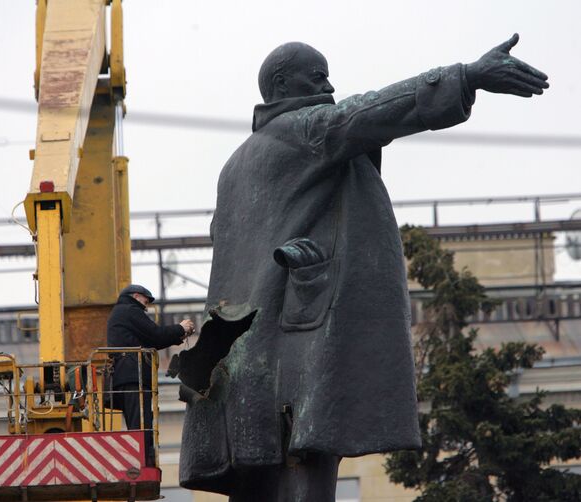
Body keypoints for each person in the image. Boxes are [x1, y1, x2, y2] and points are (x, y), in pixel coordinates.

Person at [169, 35, 548, 501]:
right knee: (310, 460)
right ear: (283, 84)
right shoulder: (305, 129)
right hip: (298, 337)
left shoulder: (233, 166)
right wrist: (466, 76)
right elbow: (371, 112)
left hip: (243, 357)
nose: (328, 83)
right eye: (318, 74)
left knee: (261, 477)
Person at [107, 284, 194, 465]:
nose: (146, 306)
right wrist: (180, 327)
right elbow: (155, 334)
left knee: (139, 421)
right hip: (133, 376)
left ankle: (141, 459)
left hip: (126, 375)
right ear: (136, 296)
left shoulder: (122, 312)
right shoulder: (130, 310)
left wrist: (178, 336)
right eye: (146, 301)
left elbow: (152, 340)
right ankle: (142, 461)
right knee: (141, 422)